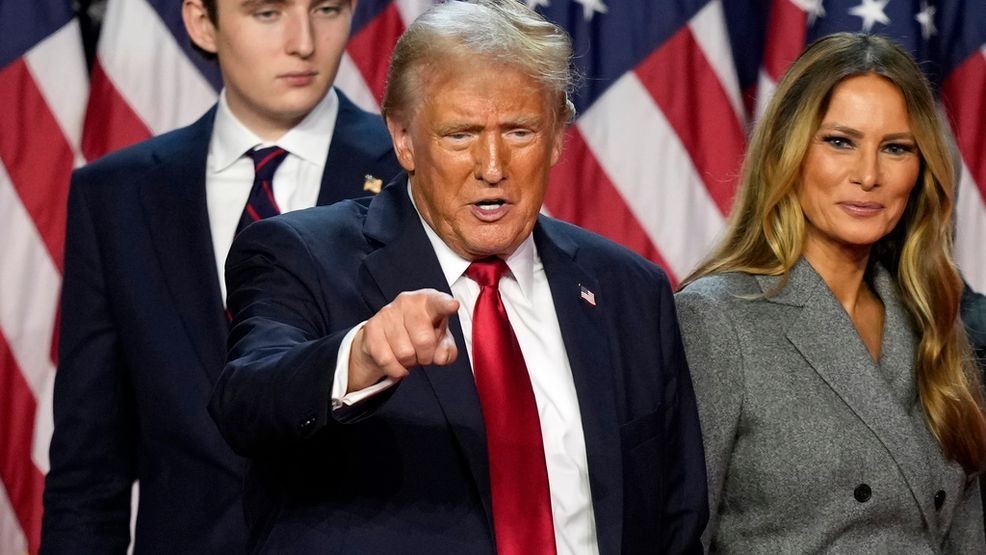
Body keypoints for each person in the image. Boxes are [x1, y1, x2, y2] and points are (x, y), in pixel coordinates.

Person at [209, 1, 707, 553]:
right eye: (460, 134)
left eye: (519, 132)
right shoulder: (302, 255)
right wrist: (361, 356)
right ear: (403, 139)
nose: (492, 165)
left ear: (559, 135)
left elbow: (676, 517)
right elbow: (245, 401)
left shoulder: (630, 290)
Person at [40, 0, 401, 552]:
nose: (303, 41)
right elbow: (88, 472)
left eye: (326, 9)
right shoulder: (116, 197)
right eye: (267, 13)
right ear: (201, 22)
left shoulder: (416, 175)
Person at [675, 33, 986, 553]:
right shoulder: (717, 318)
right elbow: (683, 535)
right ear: (786, 154)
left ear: (921, 168)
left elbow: (966, 531)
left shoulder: (932, 318)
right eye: (840, 141)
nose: (868, 176)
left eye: (896, 148)